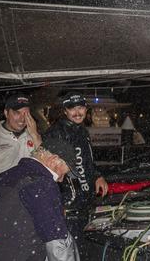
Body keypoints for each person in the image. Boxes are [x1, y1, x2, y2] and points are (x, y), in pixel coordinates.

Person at [0, 140, 80, 261]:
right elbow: (56, 239)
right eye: (62, 173)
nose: (60, 180)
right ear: (53, 160)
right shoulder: (41, 183)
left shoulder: (0, 179)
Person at [41, 92, 108, 258]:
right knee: (71, 252)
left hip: (84, 203)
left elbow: (87, 161)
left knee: (85, 250)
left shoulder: (82, 131)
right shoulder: (55, 132)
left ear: (86, 109)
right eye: (72, 109)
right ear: (65, 111)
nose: (77, 112)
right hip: (68, 207)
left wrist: (97, 176)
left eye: (81, 108)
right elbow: (48, 171)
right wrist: (58, 203)